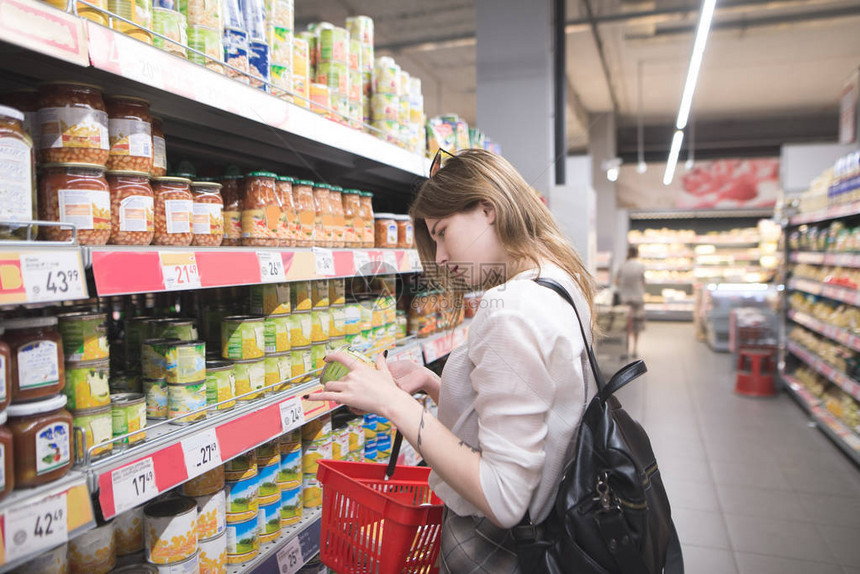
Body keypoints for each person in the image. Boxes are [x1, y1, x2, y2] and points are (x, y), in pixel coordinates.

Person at [310, 149, 597, 573]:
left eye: (443, 232)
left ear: (488, 209)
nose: (440, 256)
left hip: (503, 551)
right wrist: (433, 383)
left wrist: (394, 405)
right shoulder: (557, 281)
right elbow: (529, 418)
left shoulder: (510, 309)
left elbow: (503, 497)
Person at [615, 245, 646, 357]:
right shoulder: (641, 266)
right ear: (637, 253)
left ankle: (625, 349)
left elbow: (616, 281)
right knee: (637, 325)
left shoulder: (622, 266)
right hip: (637, 298)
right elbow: (643, 282)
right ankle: (635, 349)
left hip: (625, 299)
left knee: (626, 325)